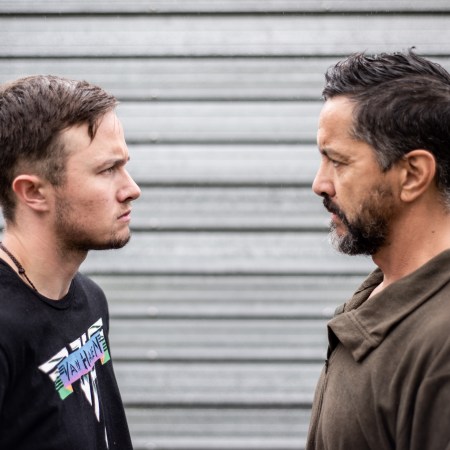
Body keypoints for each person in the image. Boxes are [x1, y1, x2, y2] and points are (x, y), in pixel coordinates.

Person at [307, 50, 450, 450]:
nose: (319, 184)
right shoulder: (378, 300)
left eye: (338, 162)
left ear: (413, 174)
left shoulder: (441, 344)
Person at [0, 75, 141, 449]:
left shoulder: (89, 299)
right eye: (107, 170)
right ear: (33, 192)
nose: (132, 189)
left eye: (124, 166)